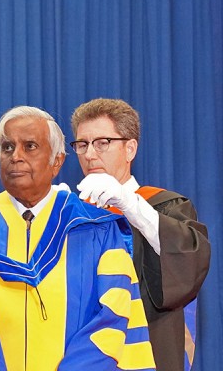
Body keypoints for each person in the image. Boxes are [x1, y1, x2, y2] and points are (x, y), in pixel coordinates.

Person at [0, 106, 156, 371]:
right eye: (7, 147)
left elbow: (113, 317)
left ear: (57, 161)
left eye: (30, 146)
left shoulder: (96, 229)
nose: (16, 157)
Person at [69, 98, 210, 371]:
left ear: (130, 148)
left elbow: (188, 264)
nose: (89, 154)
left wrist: (129, 204)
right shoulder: (72, 217)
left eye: (102, 143)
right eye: (82, 144)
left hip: (147, 353)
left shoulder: (164, 206)